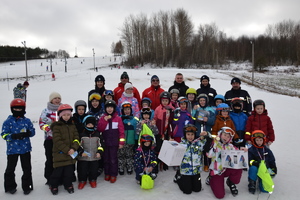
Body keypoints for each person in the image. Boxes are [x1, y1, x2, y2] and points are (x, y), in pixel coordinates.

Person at [1, 98, 35, 195]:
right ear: (12, 109)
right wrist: (12, 136)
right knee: (10, 168)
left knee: (27, 168)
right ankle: (10, 186)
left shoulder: (27, 121)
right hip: (12, 149)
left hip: (25, 149)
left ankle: (27, 186)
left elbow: (33, 132)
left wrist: (29, 133)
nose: (18, 111)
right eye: (16, 109)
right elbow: (3, 135)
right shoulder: (7, 122)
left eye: (20, 109)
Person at [207, 127, 247, 199]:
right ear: (220, 134)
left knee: (238, 167)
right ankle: (211, 178)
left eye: (228, 136)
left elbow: (238, 154)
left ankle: (230, 181)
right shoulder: (214, 143)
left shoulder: (231, 146)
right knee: (220, 195)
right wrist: (214, 144)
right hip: (217, 171)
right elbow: (209, 155)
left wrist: (242, 150)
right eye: (224, 135)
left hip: (226, 169)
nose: (226, 137)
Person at [49, 104, 80, 195]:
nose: (66, 117)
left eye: (68, 115)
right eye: (64, 115)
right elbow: (57, 140)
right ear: (60, 116)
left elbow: (76, 137)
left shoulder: (72, 125)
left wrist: (74, 148)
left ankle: (68, 184)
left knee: (69, 172)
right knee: (57, 172)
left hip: (71, 153)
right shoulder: (56, 126)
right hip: (60, 153)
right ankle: (53, 185)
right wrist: (67, 150)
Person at [173, 124, 212, 194]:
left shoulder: (199, 143)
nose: (190, 136)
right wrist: (172, 144)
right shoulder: (181, 144)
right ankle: (179, 177)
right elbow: (173, 154)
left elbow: (210, 141)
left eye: (192, 134)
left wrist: (207, 134)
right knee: (187, 191)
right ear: (185, 135)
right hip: (186, 171)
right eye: (188, 134)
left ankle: (191, 181)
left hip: (196, 171)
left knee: (197, 189)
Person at [97, 100, 125, 183]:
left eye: (111, 107)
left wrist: (121, 142)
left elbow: (121, 132)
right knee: (106, 159)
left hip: (114, 143)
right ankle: (107, 173)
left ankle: (113, 174)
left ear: (114, 109)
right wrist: (104, 121)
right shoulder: (102, 118)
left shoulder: (118, 118)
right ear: (105, 109)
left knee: (113, 159)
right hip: (105, 143)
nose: (109, 109)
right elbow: (100, 129)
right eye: (108, 107)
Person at [39, 92, 62, 185]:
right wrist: (47, 128)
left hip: (60, 140)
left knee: (60, 159)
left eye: (58, 98)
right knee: (50, 158)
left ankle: (60, 177)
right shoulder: (46, 111)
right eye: (55, 98)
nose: (57, 100)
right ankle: (49, 177)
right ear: (51, 100)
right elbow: (41, 124)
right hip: (49, 139)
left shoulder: (62, 109)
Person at [77, 115, 104, 190]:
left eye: (92, 124)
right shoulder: (81, 134)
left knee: (94, 170)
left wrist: (99, 152)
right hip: (83, 157)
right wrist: (81, 152)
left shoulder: (97, 134)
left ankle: (93, 180)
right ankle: (82, 180)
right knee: (82, 170)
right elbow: (77, 145)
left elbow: (101, 145)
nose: (90, 125)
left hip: (94, 157)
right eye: (88, 124)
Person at [248, 130, 277, 194]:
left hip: (265, 170)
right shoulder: (251, 150)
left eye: (260, 140)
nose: (259, 142)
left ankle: (262, 181)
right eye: (257, 140)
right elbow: (249, 161)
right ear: (254, 140)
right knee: (253, 168)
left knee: (265, 190)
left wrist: (273, 169)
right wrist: (254, 163)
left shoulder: (267, 150)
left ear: (263, 140)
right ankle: (252, 183)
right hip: (256, 168)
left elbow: (272, 160)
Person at [192, 94, 216, 172]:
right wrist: (194, 110)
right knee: (197, 149)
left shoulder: (211, 109)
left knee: (206, 149)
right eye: (200, 100)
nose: (202, 102)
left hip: (207, 132)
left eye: (203, 100)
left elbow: (213, 121)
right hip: (198, 131)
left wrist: (207, 120)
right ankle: (197, 164)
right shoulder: (196, 109)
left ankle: (206, 164)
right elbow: (192, 119)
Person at [118, 101, 139, 175]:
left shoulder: (135, 120)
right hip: (121, 142)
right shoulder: (119, 119)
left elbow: (137, 130)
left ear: (131, 110)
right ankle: (121, 167)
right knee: (121, 155)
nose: (127, 111)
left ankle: (129, 166)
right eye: (125, 110)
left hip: (131, 141)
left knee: (129, 155)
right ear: (122, 111)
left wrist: (136, 140)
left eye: (128, 109)